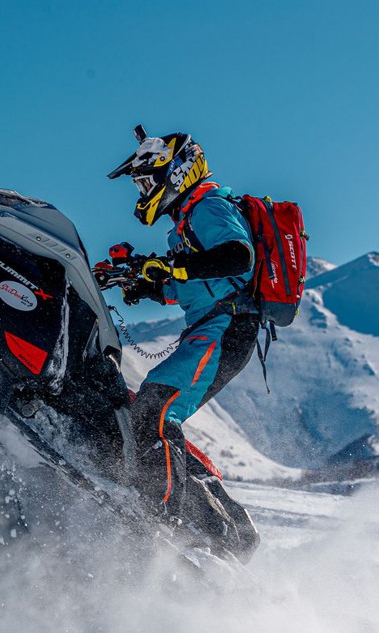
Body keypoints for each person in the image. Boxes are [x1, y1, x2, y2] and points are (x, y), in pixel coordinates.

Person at [104, 126, 260, 522]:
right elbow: (188, 286)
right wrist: (146, 284)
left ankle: (160, 520)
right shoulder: (184, 221)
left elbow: (239, 256)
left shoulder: (208, 205)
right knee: (150, 407)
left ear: (174, 173)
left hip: (227, 326)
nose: (141, 193)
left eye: (144, 183)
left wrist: (174, 266)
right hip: (211, 326)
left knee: (156, 408)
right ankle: (223, 524)